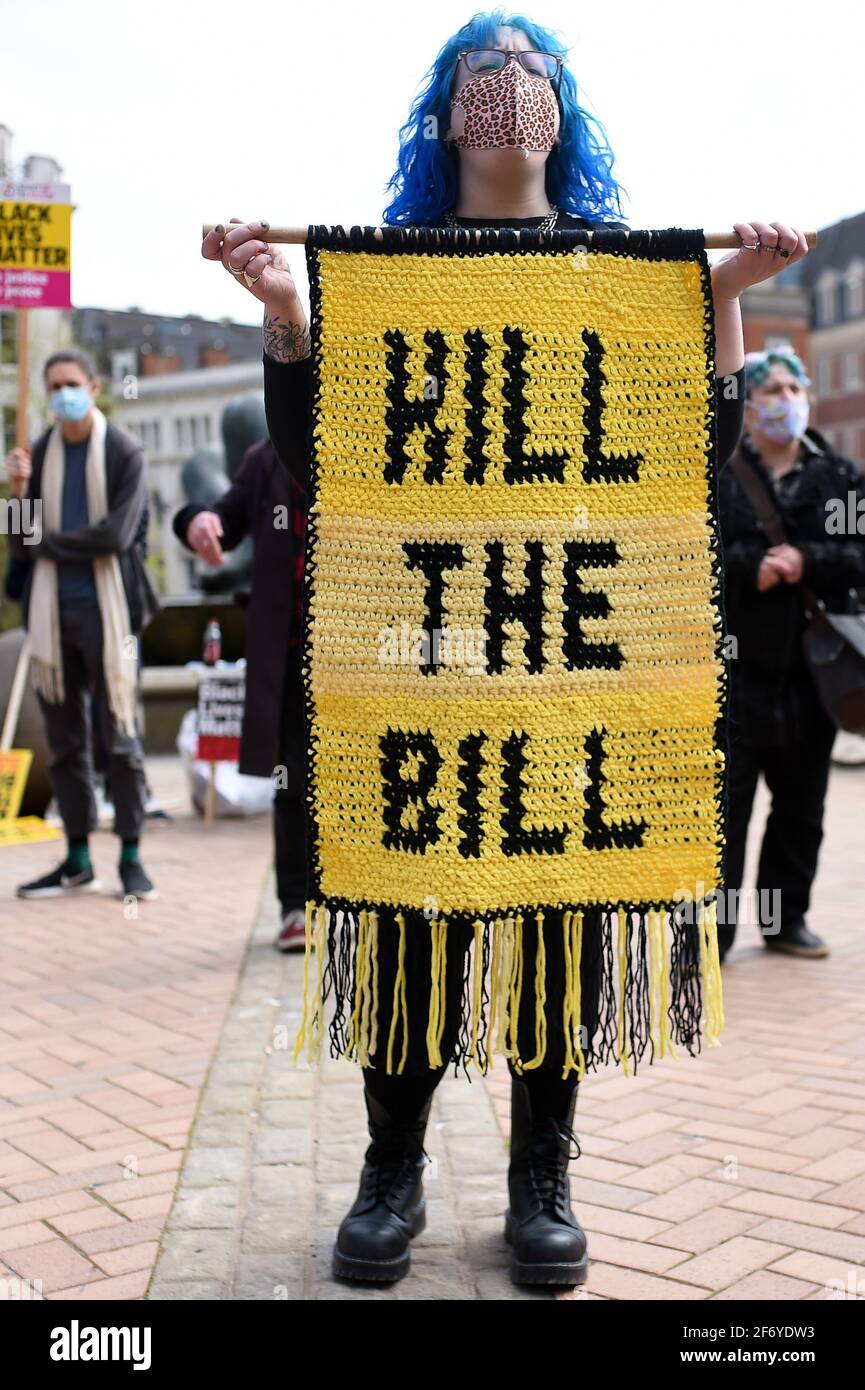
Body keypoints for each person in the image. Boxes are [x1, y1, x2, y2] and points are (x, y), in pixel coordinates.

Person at [201, 12, 808, 1287]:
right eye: (486, 66)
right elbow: (327, 461)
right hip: (427, 648)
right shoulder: (389, 271)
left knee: (554, 922)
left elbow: (679, 459)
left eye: (530, 67)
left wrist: (723, 305)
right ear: (446, 110)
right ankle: (391, 1170)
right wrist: (283, 314)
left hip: (567, 662)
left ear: (561, 108)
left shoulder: (618, 273)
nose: (508, 86)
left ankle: (545, 1171)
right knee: (410, 913)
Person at [718, 346, 865, 962]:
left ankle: (787, 921)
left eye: (791, 387)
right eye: (770, 390)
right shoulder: (721, 475)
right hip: (732, 674)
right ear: (747, 408)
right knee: (724, 816)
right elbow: (690, 554)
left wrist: (807, 560)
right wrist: (754, 569)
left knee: (800, 807)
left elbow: (859, 555)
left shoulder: (838, 479)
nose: (785, 400)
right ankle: (711, 935)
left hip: (812, 674)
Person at [5, 348, 160, 901]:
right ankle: (76, 858)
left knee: (119, 734)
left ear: (94, 388)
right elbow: (20, 543)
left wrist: (48, 544)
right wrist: (18, 494)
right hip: (51, 617)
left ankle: (132, 857)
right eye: (53, 386)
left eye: (71, 383)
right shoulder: (39, 451)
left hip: (110, 613)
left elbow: (115, 536)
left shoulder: (123, 451)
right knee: (65, 742)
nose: (62, 393)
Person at [172, 435, 310, 951]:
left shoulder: (371, 435)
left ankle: (362, 899)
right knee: (292, 781)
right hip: (293, 651)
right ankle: (296, 907)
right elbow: (220, 522)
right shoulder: (266, 457)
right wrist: (195, 521)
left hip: (364, 649)